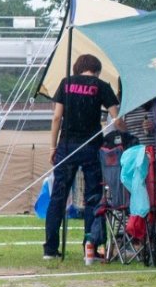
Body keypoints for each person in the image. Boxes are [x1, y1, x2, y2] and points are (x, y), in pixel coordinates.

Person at [44, 52, 118, 262]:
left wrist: (53, 147)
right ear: (96, 70)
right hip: (92, 146)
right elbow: (116, 117)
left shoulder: (66, 83)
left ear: (77, 67)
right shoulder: (101, 86)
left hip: (66, 146)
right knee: (93, 198)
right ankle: (91, 248)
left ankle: (50, 249)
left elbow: (57, 116)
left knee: (58, 196)